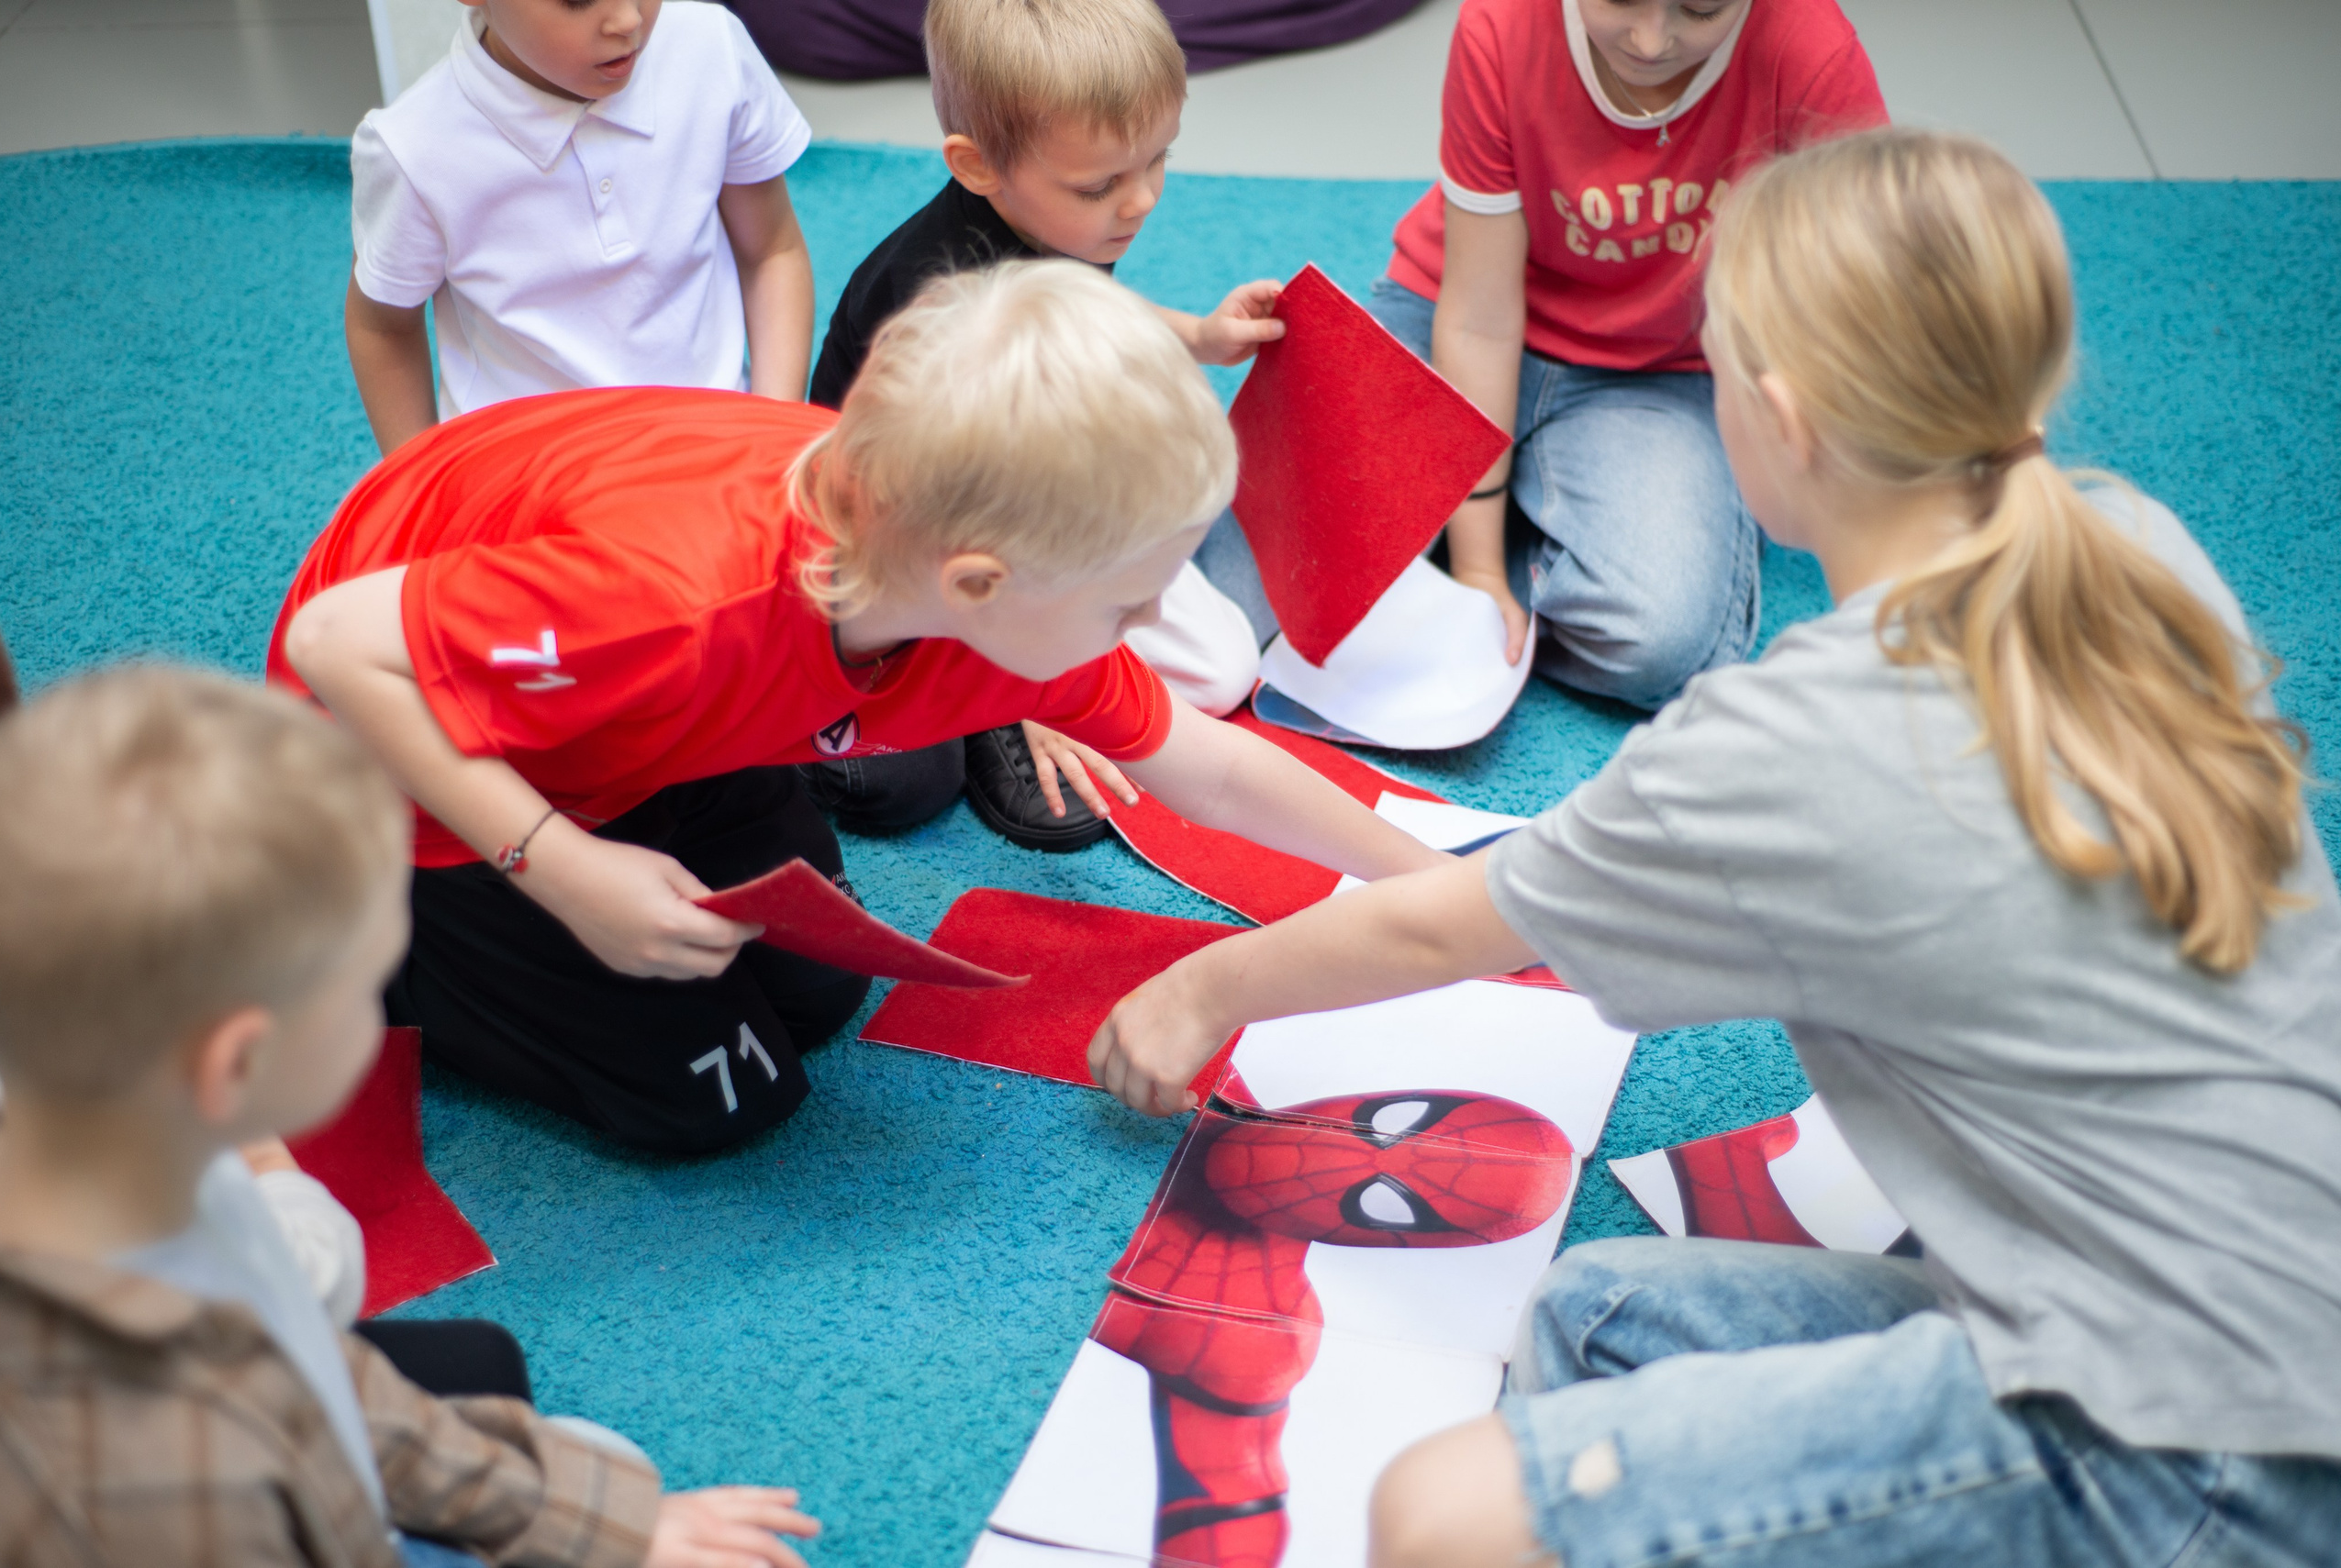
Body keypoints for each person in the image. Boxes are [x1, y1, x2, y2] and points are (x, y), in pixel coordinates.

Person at [1086, 130, 2341, 1565]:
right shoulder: (2135, 540)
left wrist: (1205, 990)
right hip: (2249, 1301)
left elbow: (1457, 925)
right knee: (1595, 1318)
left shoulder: (1784, 746)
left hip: (2203, 1443)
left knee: (1436, 1516)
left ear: (1781, 418)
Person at [273, 261, 1446, 1156]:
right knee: (722, 1094)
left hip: (657, 723)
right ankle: (368, 937)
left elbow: (1216, 770)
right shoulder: (675, 600)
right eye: (1128, 602)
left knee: (820, 988)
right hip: (404, 751)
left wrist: (1426, 881)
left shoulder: (983, 595)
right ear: (980, 583)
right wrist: (561, 866)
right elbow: (336, 647)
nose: (1144, 629)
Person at [0, 666, 822, 1568]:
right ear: (237, 1061)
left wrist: (603, 1522)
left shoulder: (125, 1160)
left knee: (588, 1469)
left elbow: (302, 1363)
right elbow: (288, 1389)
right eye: (359, 987)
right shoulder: (177, 1476)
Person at [805, 0, 1280, 851]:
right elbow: (944, 532)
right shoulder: (941, 301)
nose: (1140, 202)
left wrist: (1201, 337)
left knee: (1222, 664)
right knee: (901, 781)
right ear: (977, 166)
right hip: (908, 557)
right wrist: (1017, 692)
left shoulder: (1053, 223)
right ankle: (970, 707)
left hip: (1034, 501)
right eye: (1099, 186)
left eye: (1157, 160)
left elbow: (1091, 300)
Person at [1365, 0, 1883, 706]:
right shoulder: (1502, 23)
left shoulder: (1812, 53)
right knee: (1261, 583)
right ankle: (1516, 527)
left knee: (1661, 643)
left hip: (1663, 372)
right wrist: (1478, 570)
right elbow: (1479, 319)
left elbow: (1882, 304)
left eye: (1699, 10)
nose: (1649, 41)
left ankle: (1475, 529)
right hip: (1453, 313)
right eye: (1619, 0)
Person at [345, 0, 815, 456]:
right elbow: (383, 328)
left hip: (716, 443)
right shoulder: (413, 149)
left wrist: (775, 434)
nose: (628, 19)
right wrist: (420, 487)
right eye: (577, 0)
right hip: (521, 474)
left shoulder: (711, 47)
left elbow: (772, 250)